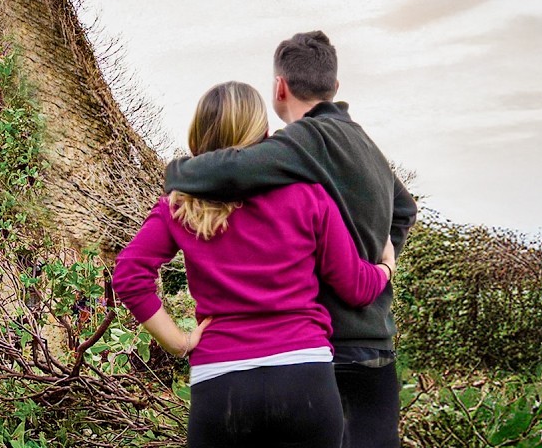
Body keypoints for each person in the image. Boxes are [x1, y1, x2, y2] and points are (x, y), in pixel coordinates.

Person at [165, 31, 416, 448]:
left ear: (280, 87)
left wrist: (175, 172)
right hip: (376, 344)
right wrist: (378, 260)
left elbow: (229, 169)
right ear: (335, 86)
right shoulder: (366, 145)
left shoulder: (303, 140)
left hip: (324, 347)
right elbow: (404, 208)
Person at [114, 81, 395, 448]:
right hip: (304, 377)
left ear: (198, 136)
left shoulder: (180, 205)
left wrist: (179, 343)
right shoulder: (307, 195)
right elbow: (355, 287)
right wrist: (385, 267)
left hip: (221, 383)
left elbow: (129, 275)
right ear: (264, 135)